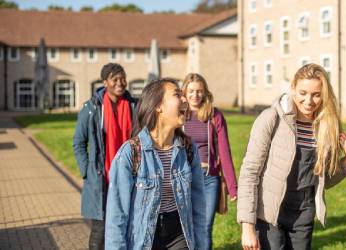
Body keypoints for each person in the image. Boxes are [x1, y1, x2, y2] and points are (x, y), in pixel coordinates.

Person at [237, 63, 346, 250]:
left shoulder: (326, 128)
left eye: (316, 94)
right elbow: (250, 172)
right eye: (303, 93)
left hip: (303, 214)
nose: (309, 101)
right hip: (269, 214)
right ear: (292, 88)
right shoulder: (271, 118)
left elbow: (323, 180)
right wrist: (247, 227)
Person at [105, 78, 207, 250]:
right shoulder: (130, 153)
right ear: (158, 106)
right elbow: (117, 216)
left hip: (179, 233)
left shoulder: (188, 149)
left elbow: (198, 205)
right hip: (143, 236)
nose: (185, 100)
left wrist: (201, 245)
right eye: (177, 95)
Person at [73, 63, 136, 250]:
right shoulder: (91, 108)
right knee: (100, 231)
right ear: (105, 82)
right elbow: (78, 143)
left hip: (129, 176)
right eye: (114, 79)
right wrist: (87, 171)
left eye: (122, 78)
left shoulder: (134, 106)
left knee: (127, 226)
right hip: (102, 179)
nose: (120, 82)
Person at [181, 73, 238, 249]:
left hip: (208, 179)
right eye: (191, 91)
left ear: (205, 92)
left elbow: (225, 152)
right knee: (186, 227)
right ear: (184, 92)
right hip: (184, 178)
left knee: (205, 227)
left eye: (199, 91)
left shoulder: (214, 116)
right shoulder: (179, 115)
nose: (195, 95)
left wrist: (232, 187)